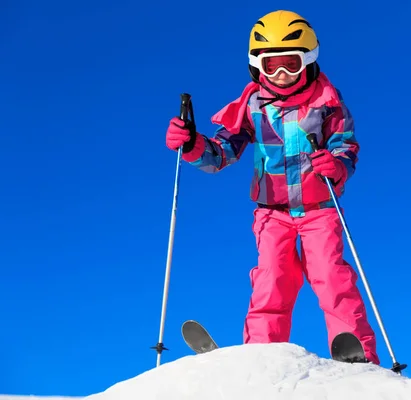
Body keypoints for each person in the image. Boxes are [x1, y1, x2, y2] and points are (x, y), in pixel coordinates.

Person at [165, 9, 380, 365]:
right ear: (256, 67)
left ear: (309, 61)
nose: (281, 75)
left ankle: (357, 356)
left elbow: (346, 145)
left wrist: (337, 165)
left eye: (290, 64)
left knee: (332, 277)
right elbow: (221, 152)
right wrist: (191, 145)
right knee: (271, 281)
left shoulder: (327, 103)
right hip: (272, 214)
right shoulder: (251, 107)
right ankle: (262, 358)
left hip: (319, 210)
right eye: (271, 66)